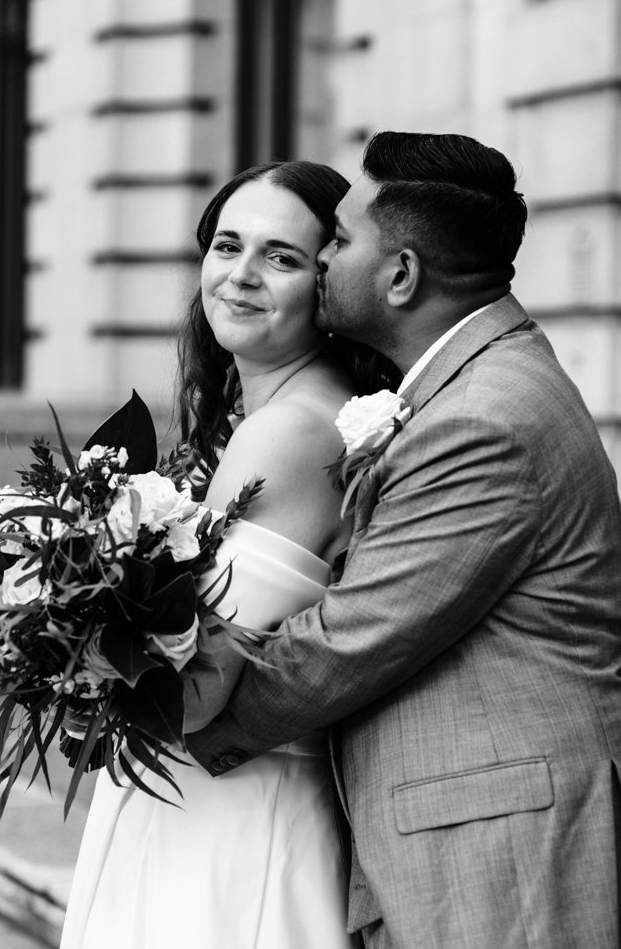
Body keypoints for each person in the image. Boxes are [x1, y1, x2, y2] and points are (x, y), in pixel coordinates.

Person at [185, 132, 621, 949]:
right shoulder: (474, 385)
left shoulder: (484, 420)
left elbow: (353, 636)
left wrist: (162, 707)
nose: (322, 262)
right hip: (461, 838)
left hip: (503, 853)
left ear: (402, 275)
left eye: (339, 242)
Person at [60, 160, 395, 949]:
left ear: (331, 282)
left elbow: (199, 690)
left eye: (280, 257)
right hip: (205, 804)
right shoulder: (274, 413)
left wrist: (68, 638)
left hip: (235, 826)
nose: (240, 275)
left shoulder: (291, 431)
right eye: (227, 246)